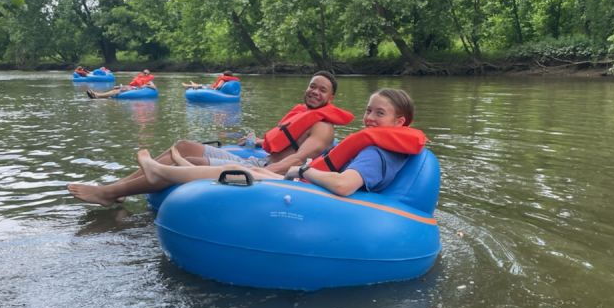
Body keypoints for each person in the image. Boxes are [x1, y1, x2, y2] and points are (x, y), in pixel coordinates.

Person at [67, 72, 353, 205]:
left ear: (332, 97)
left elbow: (297, 159)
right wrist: (252, 144)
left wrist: (259, 170)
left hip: (265, 169)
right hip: (258, 157)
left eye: (322, 90)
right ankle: (113, 189)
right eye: (312, 86)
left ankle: (109, 192)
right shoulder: (302, 113)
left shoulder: (323, 127)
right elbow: (279, 143)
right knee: (180, 146)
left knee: (186, 159)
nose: (315, 91)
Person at [130, 88, 424, 199]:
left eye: (379, 113)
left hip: (308, 186)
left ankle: (163, 172)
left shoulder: (376, 152)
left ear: (400, 123)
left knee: (237, 168)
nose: (369, 118)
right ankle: (165, 171)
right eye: (368, 110)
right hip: (303, 179)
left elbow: (345, 185)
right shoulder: (384, 146)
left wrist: (303, 171)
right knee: (233, 165)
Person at [87, 69, 155, 99]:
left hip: (137, 90)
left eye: (146, 73)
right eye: (144, 72)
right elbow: (132, 85)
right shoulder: (139, 78)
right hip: (133, 89)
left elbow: (154, 88)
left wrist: (146, 85)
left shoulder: (149, 81)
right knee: (115, 88)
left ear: (148, 74)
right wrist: (122, 86)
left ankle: (97, 95)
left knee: (116, 91)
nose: (145, 74)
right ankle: (97, 94)